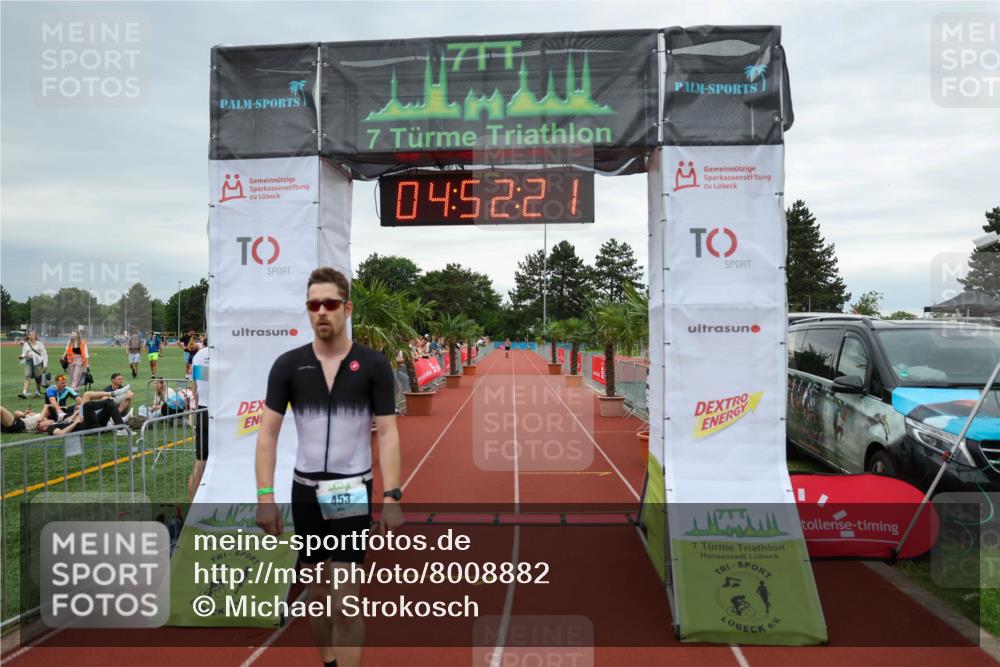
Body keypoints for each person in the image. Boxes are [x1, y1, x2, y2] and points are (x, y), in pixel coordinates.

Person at [255, 267, 403, 667]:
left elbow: (387, 433)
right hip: (305, 491)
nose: (321, 312)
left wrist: (391, 495)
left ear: (347, 308)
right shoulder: (288, 365)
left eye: (330, 304)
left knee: (346, 598)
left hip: (351, 490)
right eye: (313, 305)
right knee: (317, 596)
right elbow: (267, 434)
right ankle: (329, 660)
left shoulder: (372, 365)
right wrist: (265, 496)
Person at [188, 339, 210, 501]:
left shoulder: (199, 356)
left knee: (200, 461)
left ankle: (192, 507)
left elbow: (194, 388)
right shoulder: (226, 354)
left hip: (203, 409)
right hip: (221, 411)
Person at [18, 330, 48, 398]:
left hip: (38, 363)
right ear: (28, 336)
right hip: (29, 362)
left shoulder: (40, 344)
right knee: (27, 375)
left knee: (37, 377)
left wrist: (45, 365)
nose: (31, 336)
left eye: (33, 334)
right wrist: (22, 356)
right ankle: (24, 393)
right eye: (30, 334)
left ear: (35, 336)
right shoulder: (26, 344)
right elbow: (24, 353)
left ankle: (38, 391)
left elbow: (44, 355)